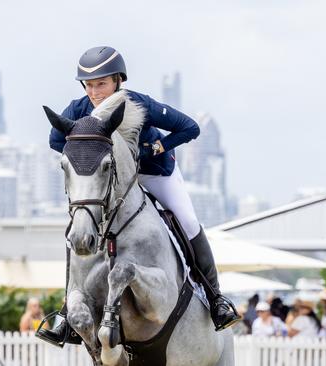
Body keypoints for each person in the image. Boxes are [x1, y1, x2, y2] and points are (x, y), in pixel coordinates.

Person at [37, 46, 240, 347]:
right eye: (89, 85)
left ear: (118, 80)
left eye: (101, 83)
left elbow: (190, 128)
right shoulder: (79, 110)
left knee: (187, 220)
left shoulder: (140, 104)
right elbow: (57, 140)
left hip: (154, 172)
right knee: (79, 229)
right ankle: (68, 314)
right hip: (109, 180)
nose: (94, 91)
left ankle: (216, 298)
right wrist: (86, 160)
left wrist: (152, 149)